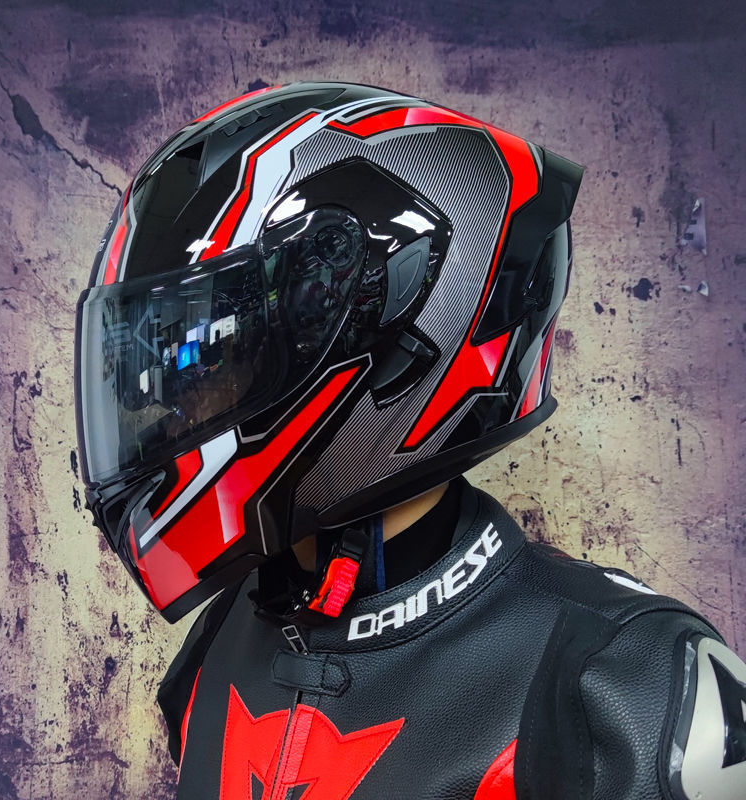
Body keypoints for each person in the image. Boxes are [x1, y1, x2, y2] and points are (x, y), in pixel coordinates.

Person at [74, 82, 746, 799]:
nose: (173, 401)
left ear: (391, 331)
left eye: (218, 354)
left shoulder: (631, 684)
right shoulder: (216, 645)